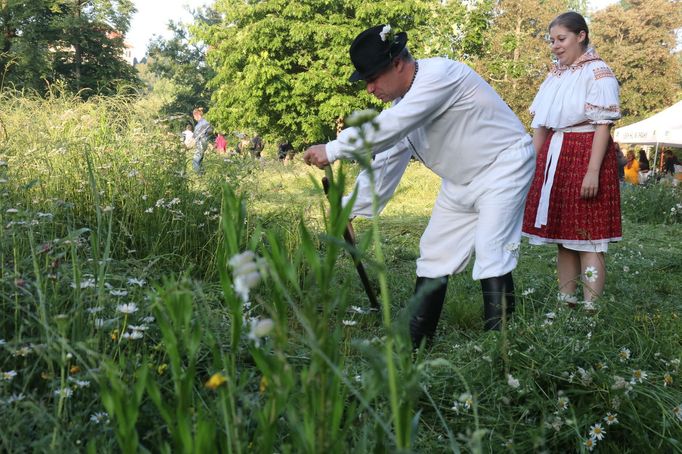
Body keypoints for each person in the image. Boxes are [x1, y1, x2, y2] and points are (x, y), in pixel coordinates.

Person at [303, 24, 536, 347]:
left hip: (504, 167)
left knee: (490, 249)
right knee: (434, 253)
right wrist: (350, 207)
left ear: (398, 63)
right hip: (459, 180)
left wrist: (332, 150)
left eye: (373, 78)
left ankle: (500, 351)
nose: (370, 89)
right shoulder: (403, 107)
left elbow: (388, 128)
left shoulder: (440, 76)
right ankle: (416, 345)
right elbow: (384, 160)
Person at [521, 12, 622, 306]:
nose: (555, 45)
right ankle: (566, 302)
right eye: (552, 40)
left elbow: (603, 125)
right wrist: (530, 166)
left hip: (586, 151)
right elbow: (541, 125)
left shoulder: (599, 72)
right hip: (557, 154)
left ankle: (591, 308)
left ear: (581, 36)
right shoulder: (556, 75)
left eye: (561, 39)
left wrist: (592, 171)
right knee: (563, 237)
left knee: (588, 235)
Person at [192, 107, 213, 173]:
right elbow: (211, 131)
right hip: (205, 142)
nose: (194, 118)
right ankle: (202, 173)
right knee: (199, 160)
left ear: (197, 115)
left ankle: (199, 175)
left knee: (195, 161)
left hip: (201, 143)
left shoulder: (199, 125)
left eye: (194, 116)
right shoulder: (206, 122)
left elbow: (195, 136)